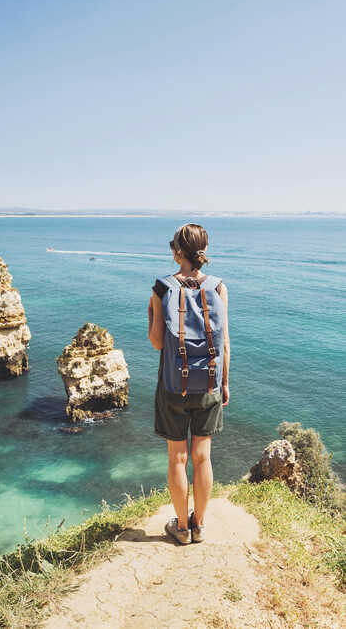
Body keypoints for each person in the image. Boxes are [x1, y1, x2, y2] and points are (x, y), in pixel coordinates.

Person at [147, 223, 230, 545]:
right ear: (202, 250)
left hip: (172, 385)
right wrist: (224, 383)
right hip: (209, 383)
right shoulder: (219, 286)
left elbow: (156, 342)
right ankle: (200, 526)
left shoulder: (161, 287)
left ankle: (181, 528)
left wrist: (154, 317)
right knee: (202, 457)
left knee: (177, 458)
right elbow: (224, 342)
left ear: (176, 251)